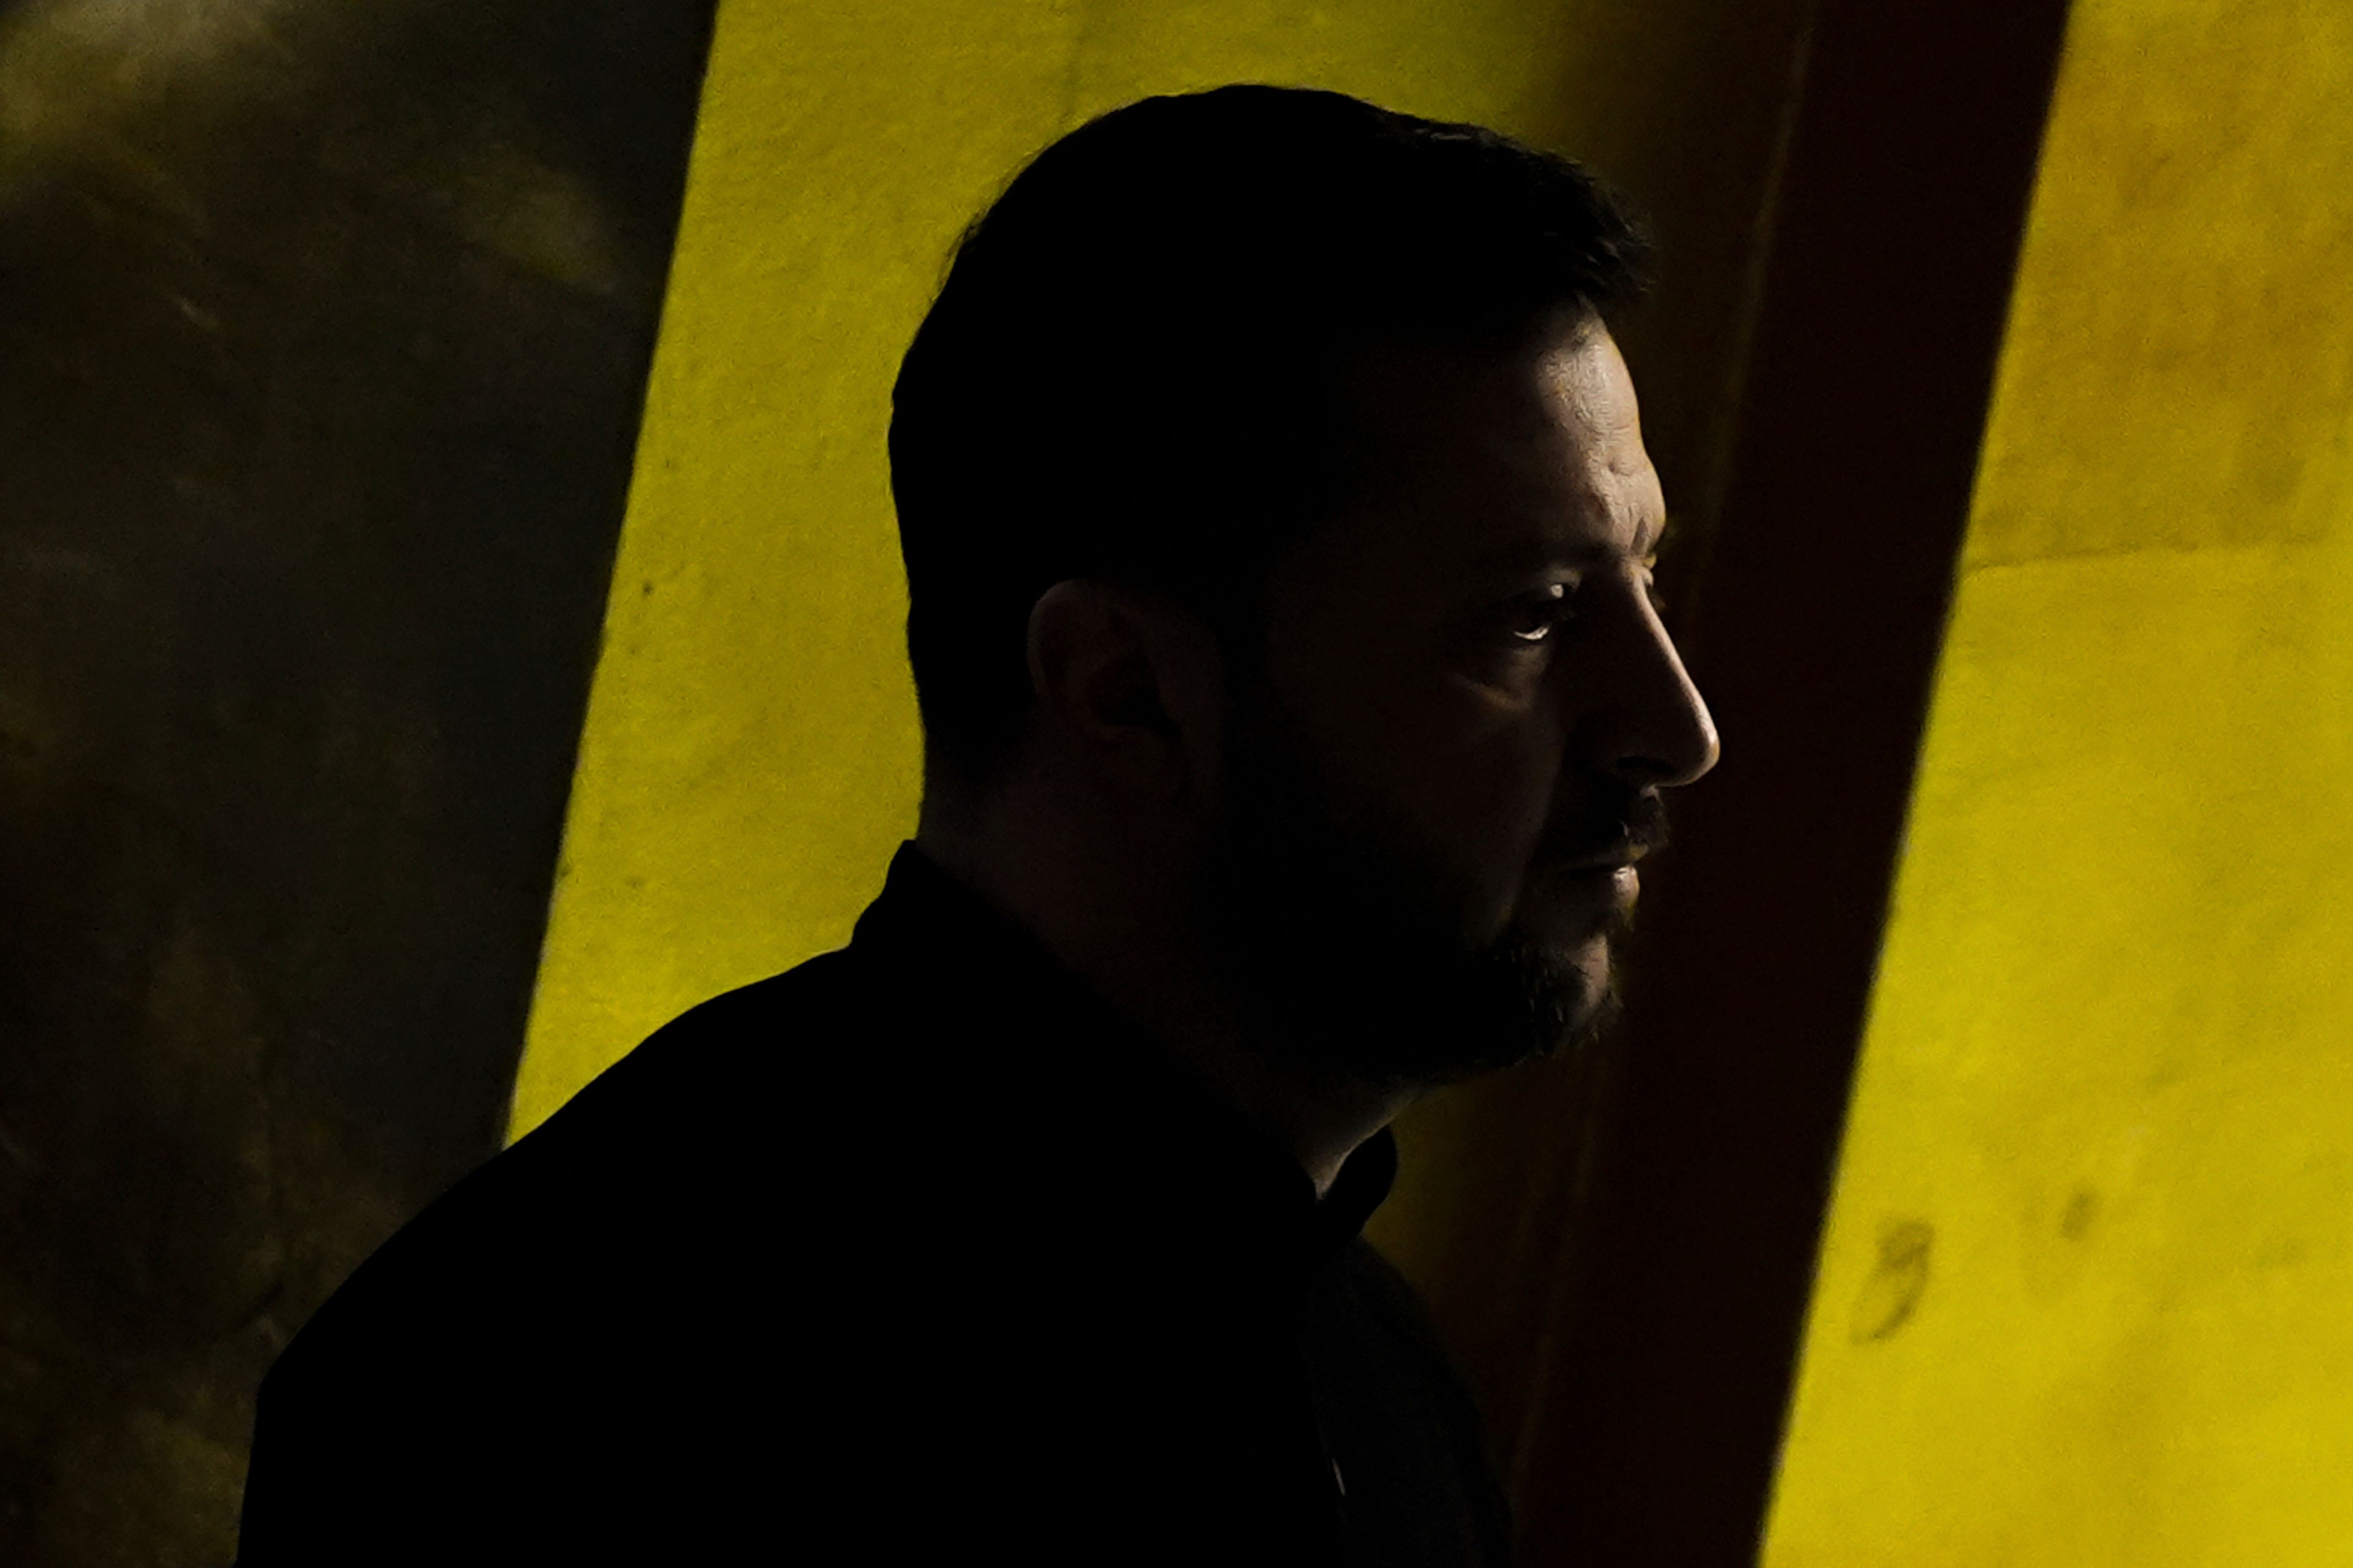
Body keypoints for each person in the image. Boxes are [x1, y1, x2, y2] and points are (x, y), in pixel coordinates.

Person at [235, 84, 1716, 1565]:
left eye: (1646, 576)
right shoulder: (577, 1376)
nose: (1678, 726)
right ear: (1125, 694)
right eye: (1532, 618)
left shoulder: (1375, 1374)